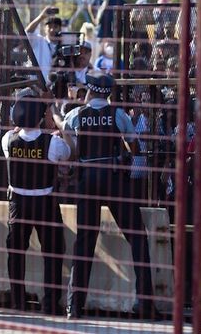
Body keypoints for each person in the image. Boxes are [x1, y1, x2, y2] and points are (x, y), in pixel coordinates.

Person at [64, 72, 161, 320]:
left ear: (89, 91)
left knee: (84, 241)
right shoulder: (118, 115)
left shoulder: (75, 115)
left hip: (86, 181)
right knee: (137, 238)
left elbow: (70, 152)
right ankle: (145, 303)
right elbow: (135, 146)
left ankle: (73, 306)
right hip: (114, 178)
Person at [2, 95, 73, 315]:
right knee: (52, 253)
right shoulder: (53, 142)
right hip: (45, 203)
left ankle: (17, 301)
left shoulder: (8, 140)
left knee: (16, 253)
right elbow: (69, 154)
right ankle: (50, 303)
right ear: (41, 119)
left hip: (18, 203)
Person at [25, 6, 62, 84]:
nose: (52, 30)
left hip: (56, 89)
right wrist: (41, 17)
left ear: (60, 29)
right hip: (36, 86)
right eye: (49, 26)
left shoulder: (64, 47)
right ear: (45, 28)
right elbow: (27, 33)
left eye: (55, 27)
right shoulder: (38, 40)